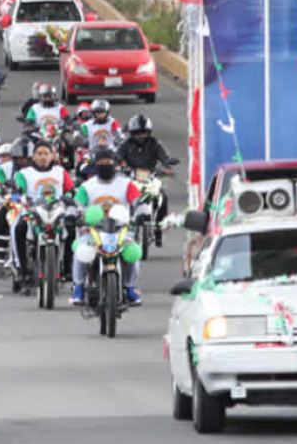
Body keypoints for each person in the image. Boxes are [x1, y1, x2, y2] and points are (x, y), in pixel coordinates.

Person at [71, 146, 143, 306]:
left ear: (115, 165)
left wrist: (143, 212)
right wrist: (73, 214)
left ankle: (130, 287)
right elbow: (76, 204)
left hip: (121, 231)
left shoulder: (126, 184)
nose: (105, 165)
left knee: (132, 251)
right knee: (81, 251)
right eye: (102, 163)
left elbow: (138, 202)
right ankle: (79, 287)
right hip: (93, 231)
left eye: (109, 162)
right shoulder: (87, 187)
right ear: (96, 165)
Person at [10, 138, 76, 291]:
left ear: (52, 156)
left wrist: (71, 199)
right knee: (19, 228)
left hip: (57, 210)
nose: (43, 157)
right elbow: (17, 189)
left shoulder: (60, 172)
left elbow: (71, 190)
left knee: (72, 229)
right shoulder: (24, 173)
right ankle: (22, 269)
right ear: (33, 156)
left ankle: (67, 269)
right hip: (32, 211)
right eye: (39, 153)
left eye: (46, 153)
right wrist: (17, 193)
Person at [116, 114, 179, 247]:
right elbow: (116, 156)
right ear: (132, 133)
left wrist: (168, 162)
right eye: (137, 133)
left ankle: (158, 230)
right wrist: (116, 164)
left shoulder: (155, 143)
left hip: (151, 176)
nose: (141, 136)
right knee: (119, 196)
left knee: (163, 196)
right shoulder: (125, 144)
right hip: (130, 176)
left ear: (148, 132)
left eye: (143, 133)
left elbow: (164, 157)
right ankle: (118, 225)